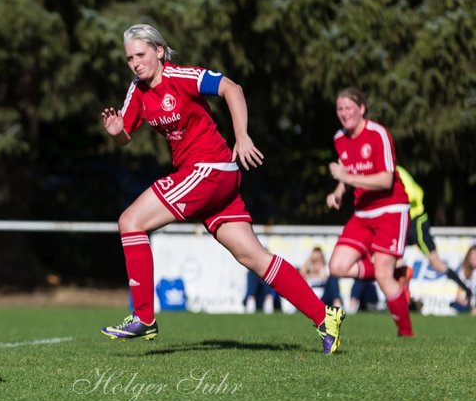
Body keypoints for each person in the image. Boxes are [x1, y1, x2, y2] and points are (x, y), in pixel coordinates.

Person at [99, 23, 343, 352]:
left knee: (130, 222)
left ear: (159, 51)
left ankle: (143, 316)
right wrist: (116, 132)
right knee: (254, 256)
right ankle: (324, 317)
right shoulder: (137, 91)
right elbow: (125, 138)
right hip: (212, 179)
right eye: (129, 58)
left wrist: (242, 137)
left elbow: (232, 88)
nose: (135, 63)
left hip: (209, 170)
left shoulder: (181, 77)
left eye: (141, 55)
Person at [324, 87, 413, 337]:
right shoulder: (339, 138)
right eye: (340, 109)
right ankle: (395, 273)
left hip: (390, 209)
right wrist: (339, 191)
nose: (344, 113)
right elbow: (348, 169)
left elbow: (386, 180)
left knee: (384, 277)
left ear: (362, 109)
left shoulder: (378, 134)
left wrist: (346, 177)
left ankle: (406, 333)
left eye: (349, 108)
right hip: (363, 213)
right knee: (337, 266)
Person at [397, 165, 472, 302]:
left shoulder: (397, 172)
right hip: (401, 221)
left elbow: (415, 193)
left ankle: (466, 289)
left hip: (416, 221)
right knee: (395, 259)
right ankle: (403, 297)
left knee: (435, 262)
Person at [453, 245, 476, 313]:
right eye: (472, 257)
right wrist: (468, 304)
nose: (474, 259)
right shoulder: (464, 272)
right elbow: (458, 296)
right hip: (471, 304)